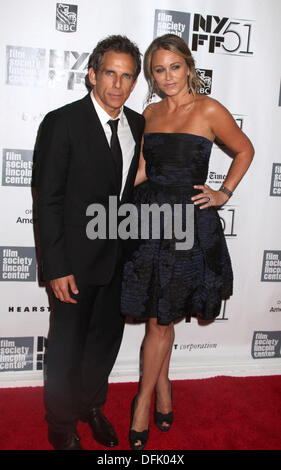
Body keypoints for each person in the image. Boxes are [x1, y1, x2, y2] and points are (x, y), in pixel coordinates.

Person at [121, 33, 254, 450]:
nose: (167, 77)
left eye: (174, 67)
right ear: (152, 76)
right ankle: (163, 390)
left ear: (189, 67)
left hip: (188, 228)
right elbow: (141, 171)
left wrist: (223, 192)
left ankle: (142, 401)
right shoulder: (149, 112)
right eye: (158, 70)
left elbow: (245, 149)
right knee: (161, 315)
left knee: (162, 320)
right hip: (148, 223)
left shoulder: (210, 109)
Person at [34, 35, 144, 450]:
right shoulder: (62, 122)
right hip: (74, 264)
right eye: (110, 73)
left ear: (134, 82)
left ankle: (89, 405)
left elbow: (126, 187)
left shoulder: (137, 123)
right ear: (92, 74)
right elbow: (48, 198)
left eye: (127, 76)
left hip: (118, 258)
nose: (117, 84)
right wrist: (56, 266)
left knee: (104, 342)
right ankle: (61, 425)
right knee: (66, 347)